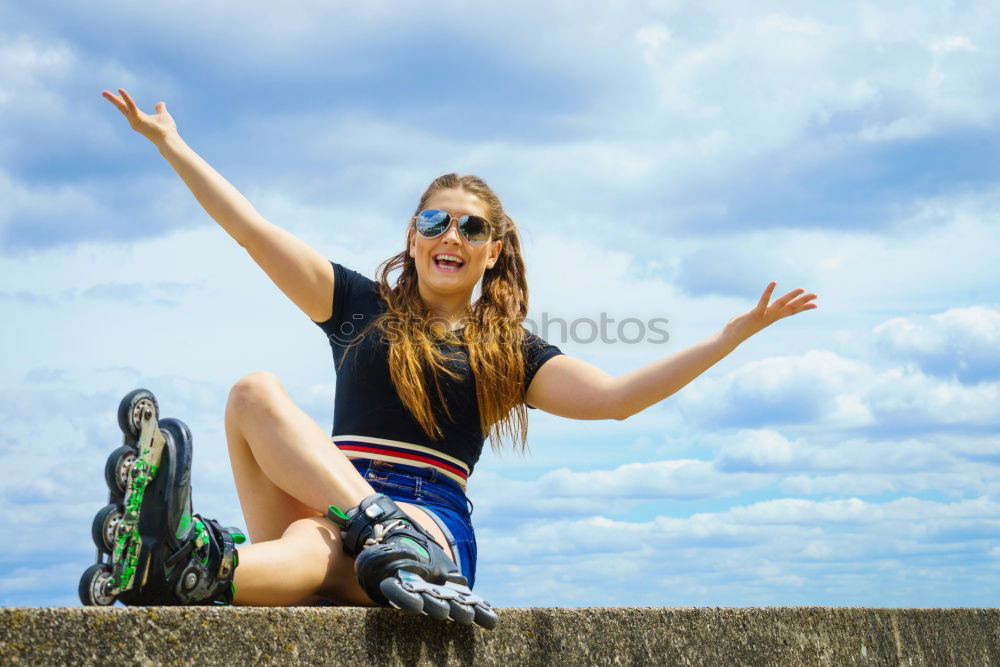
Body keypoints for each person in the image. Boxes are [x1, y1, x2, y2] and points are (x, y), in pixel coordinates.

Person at [98, 88, 818, 626]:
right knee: (253, 392)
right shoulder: (356, 307)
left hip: (431, 525)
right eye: (433, 219)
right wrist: (171, 143)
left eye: (470, 227)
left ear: (492, 250)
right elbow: (253, 232)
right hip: (336, 498)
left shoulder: (508, 351)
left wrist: (728, 338)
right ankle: (190, 564)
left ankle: (205, 560)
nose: (450, 233)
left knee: (320, 551)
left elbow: (616, 396)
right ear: (413, 237)